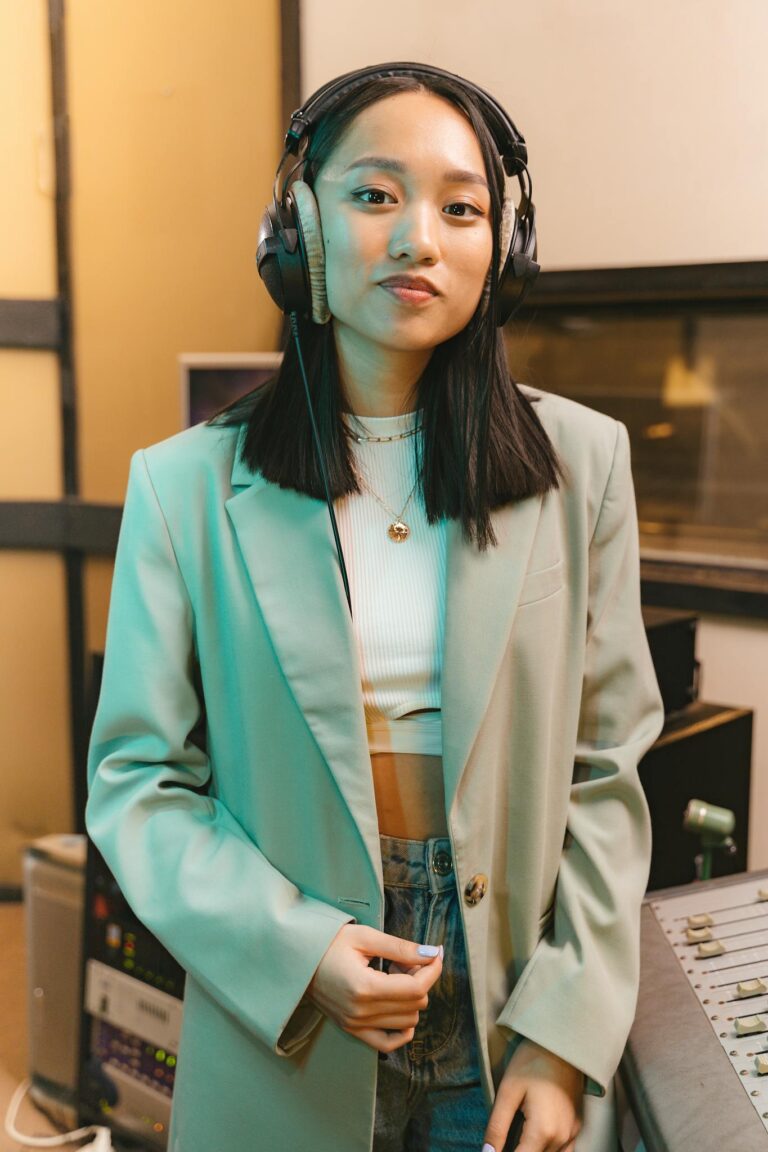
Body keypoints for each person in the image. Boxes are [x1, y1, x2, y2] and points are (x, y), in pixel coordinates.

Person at [86, 63, 664, 1152]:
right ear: (295, 229)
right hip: (288, 1014)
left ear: (506, 251)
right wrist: (297, 952)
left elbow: (608, 764)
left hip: (510, 1010)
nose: (420, 240)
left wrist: (563, 1036)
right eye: (373, 196)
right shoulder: (182, 485)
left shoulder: (582, 462)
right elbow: (137, 783)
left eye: (462, 207)